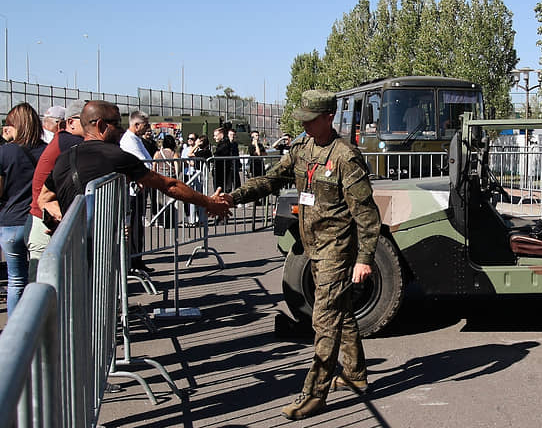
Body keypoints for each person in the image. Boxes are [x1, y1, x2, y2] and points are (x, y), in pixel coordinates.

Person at [221, 90, 381, 421]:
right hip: (313, 247)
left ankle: (314, 393)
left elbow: (367, 216)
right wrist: (232, 199)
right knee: (340, 312)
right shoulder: (302, 150)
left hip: (337, 249)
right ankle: (354, 373)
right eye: (303, 120)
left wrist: (364, 259)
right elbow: (270, 180)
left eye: (311, 120)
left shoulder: (345, 158)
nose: (305, 126)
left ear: (328, 118)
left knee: (324, 320)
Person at [38, 101, 230, 234]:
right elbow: (168, 185)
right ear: (102, 126)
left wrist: (63, 220)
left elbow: (44, 199)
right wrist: (208, 202)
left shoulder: (64, 158)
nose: (121, 130)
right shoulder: (116, 156)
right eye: (116, 124)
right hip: (95, 249)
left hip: (70, 250)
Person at [27, 100, 84, 279]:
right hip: (44, 221)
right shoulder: (69, 141)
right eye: (89, 121)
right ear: (71, 122)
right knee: (40, 290)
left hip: (46, 220)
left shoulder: (65, 140)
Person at [0, 103, 47, 315]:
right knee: (39, 280)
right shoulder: (46, 151)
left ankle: (16, 332)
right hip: (38, 221)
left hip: (10, 223)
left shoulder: (5, 153)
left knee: (15, 280)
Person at [120, 111, 153, 271]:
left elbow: (147, 162)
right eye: (145, 125)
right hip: (132, 191)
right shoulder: (129, 141)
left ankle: (137, 259)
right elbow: (143, 163)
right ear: (136, 125)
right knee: (132, 225)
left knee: (137, 225)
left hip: (139, 189)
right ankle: (133, 260)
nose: (148, 128)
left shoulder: (137, 140)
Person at [153, 134, 181, 227]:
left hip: (160, 178)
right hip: (170, 178)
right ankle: (171, 221)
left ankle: (159, 221)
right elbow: (177, 168)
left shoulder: (158, 153)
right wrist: (177, 177)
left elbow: (154, 167)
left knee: (160, 201)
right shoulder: (174, 154)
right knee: (171, 200)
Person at [212, 127, 234, 194]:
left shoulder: (225, 144)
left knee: (221, 190)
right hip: (219, 170)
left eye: (216, 135)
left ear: (221, 134)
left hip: (223, 171)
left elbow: (218, 154)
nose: (214, 137)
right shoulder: (222, 144)